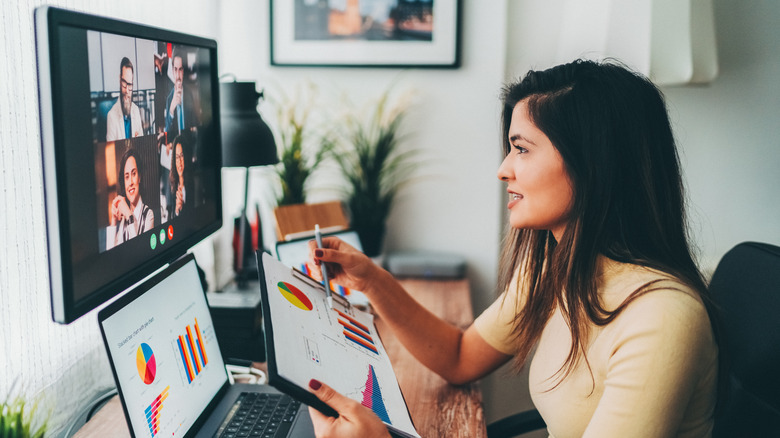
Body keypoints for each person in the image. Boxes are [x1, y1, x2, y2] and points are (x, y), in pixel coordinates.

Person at [304, 59, 719, 438]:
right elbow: (460, 357)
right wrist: (372, 281)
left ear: (593, 165)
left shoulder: (660, 316)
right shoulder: (557, 269)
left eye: (521, 149)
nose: (503, 170)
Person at [112, 147, 154, 246]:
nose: (130, 182)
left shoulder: (148, 215)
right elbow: (111, 256)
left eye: (133, 174)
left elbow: (140, 252)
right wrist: (113, 221)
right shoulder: (123, 219)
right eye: (126, 177)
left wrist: (129, 215)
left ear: (139, 177)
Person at [164, 46, 199, 138]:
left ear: (184, 71)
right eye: (175, 69)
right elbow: (167, 131)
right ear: (172, 70)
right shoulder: (169, 100)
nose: (178, 75)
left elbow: (195, 124)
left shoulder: (190, 94)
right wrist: (171, 109)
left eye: (180, 69)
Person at [106, 57, 143, 141]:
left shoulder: (136, 111)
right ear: (120, 80)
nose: (127, 90)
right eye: (124, 83)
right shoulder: (111, 116)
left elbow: (141, 142)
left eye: (129, 85)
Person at [167, 134, 191, 218]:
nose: (179, 162)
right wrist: (177, 210)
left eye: (181, 156)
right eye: (177, 157)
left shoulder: (194, 182)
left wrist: (183, 207)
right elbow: (171, 217)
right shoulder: (172, 185)